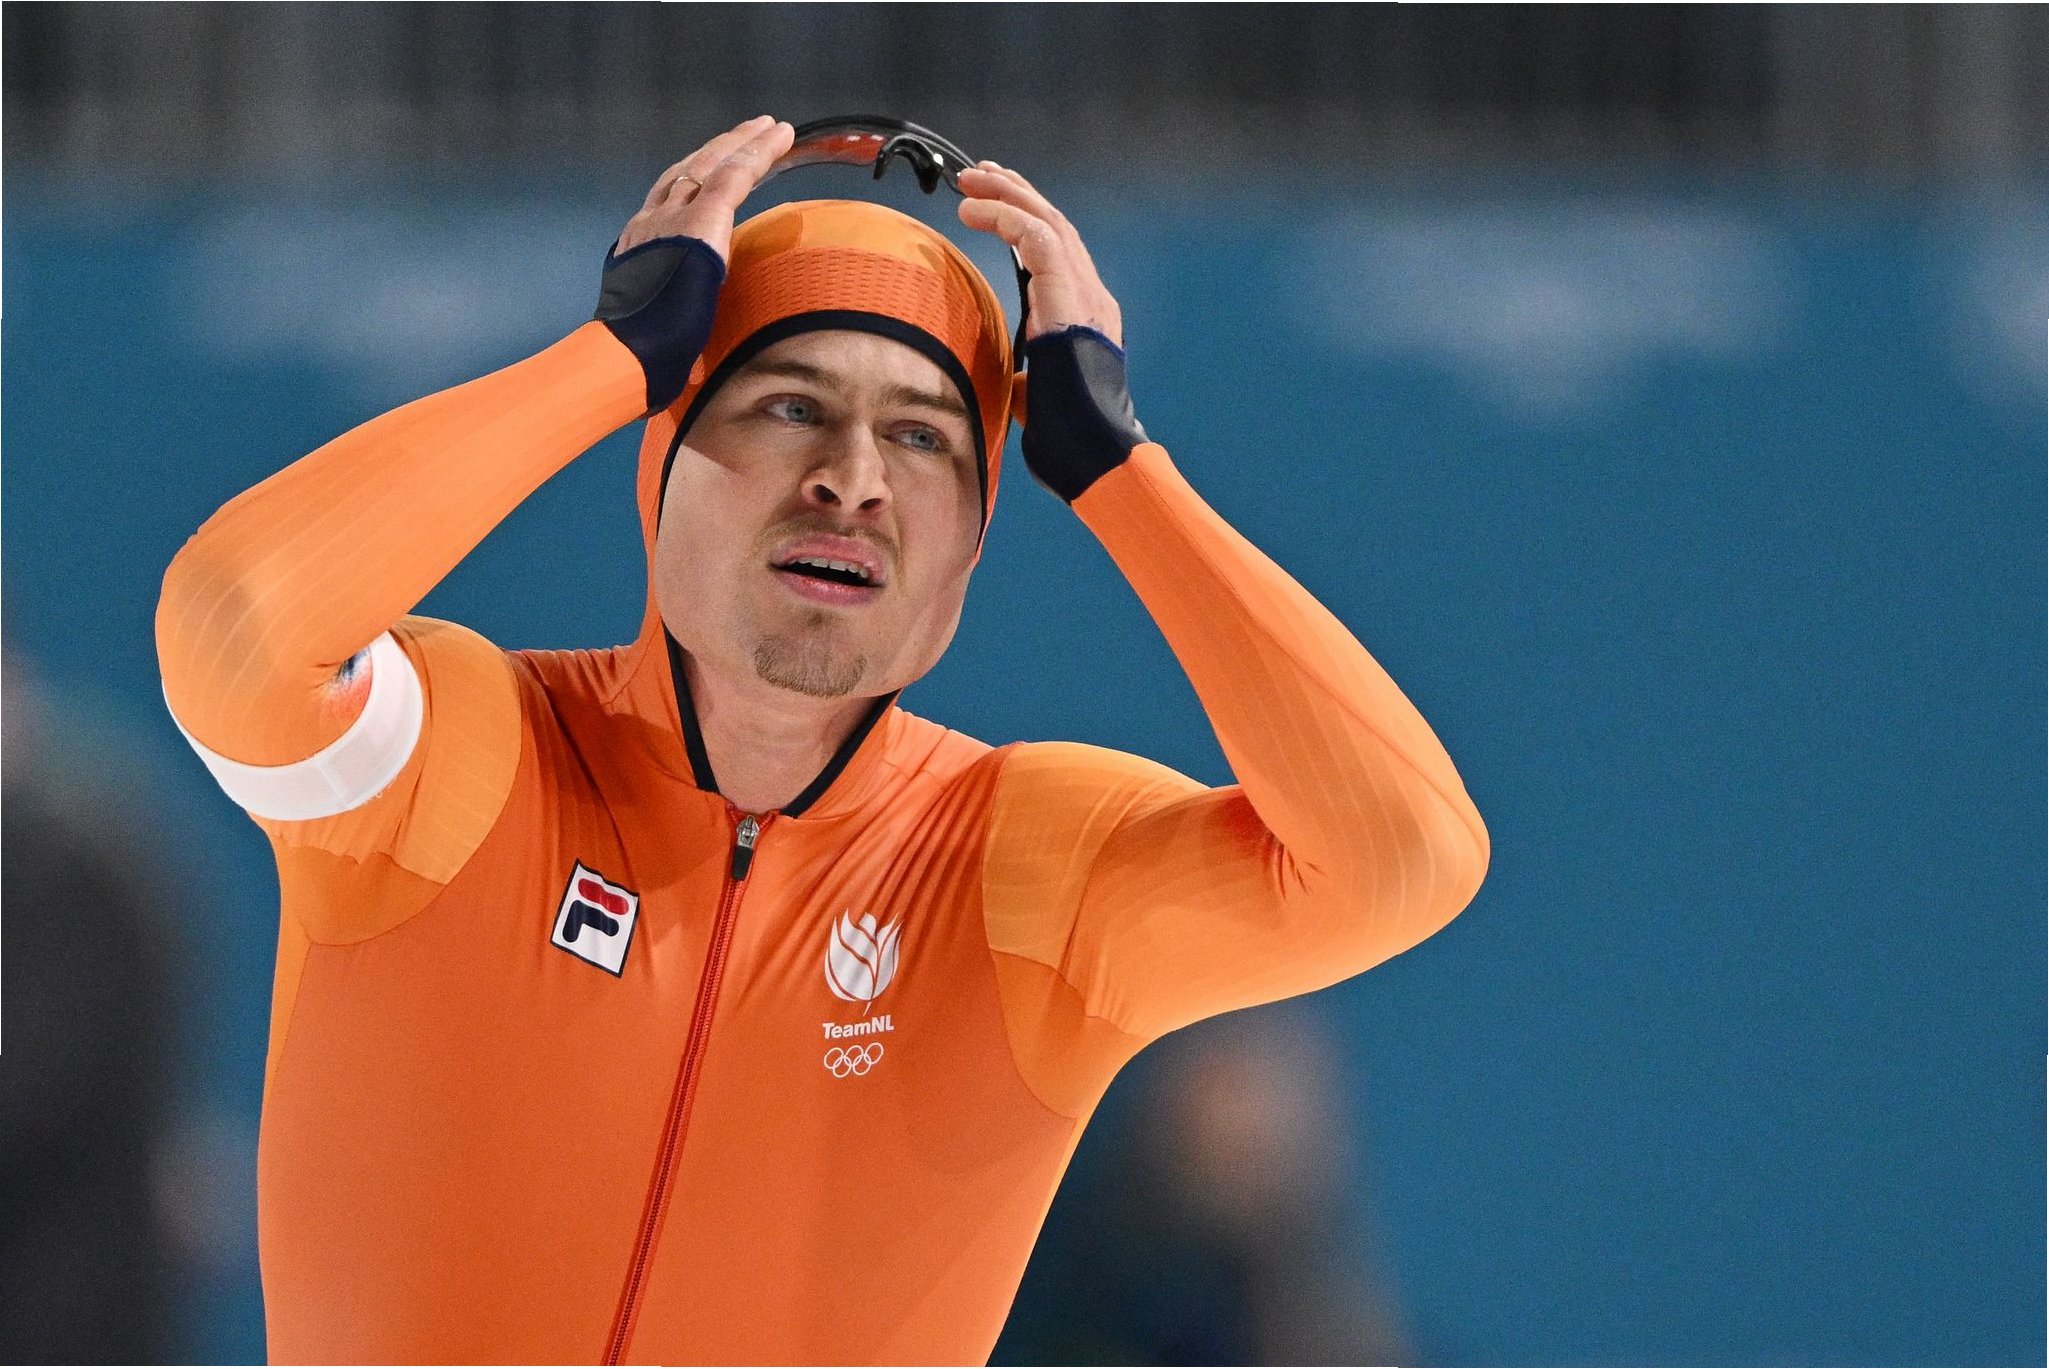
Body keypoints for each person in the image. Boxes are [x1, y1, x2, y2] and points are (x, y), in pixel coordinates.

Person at [155, 115, 1491, 1364]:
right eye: (789, 406)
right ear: (663, 461)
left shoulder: (1020, 874)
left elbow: (1405, 858)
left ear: (969, 543)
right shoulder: (467, 758)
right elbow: (235, 630)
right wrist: (612, 359)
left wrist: (1114, 466)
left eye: (921, 437)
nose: (852, 480)